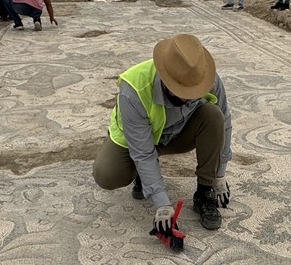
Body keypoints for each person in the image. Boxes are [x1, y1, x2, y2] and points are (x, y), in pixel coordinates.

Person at [93, 33, 233, 232]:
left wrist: (219, 175)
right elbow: (142, 151)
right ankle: (142, 174)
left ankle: (204, 192)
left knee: (214, 115)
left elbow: (225, 123)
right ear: (165, 77)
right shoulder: (134, 88)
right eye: (181, 91)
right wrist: (162, 204)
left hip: (178, 134)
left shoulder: (204, 77)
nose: (187, 97)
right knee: (106, 175)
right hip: (138, 139)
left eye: (192, 92)